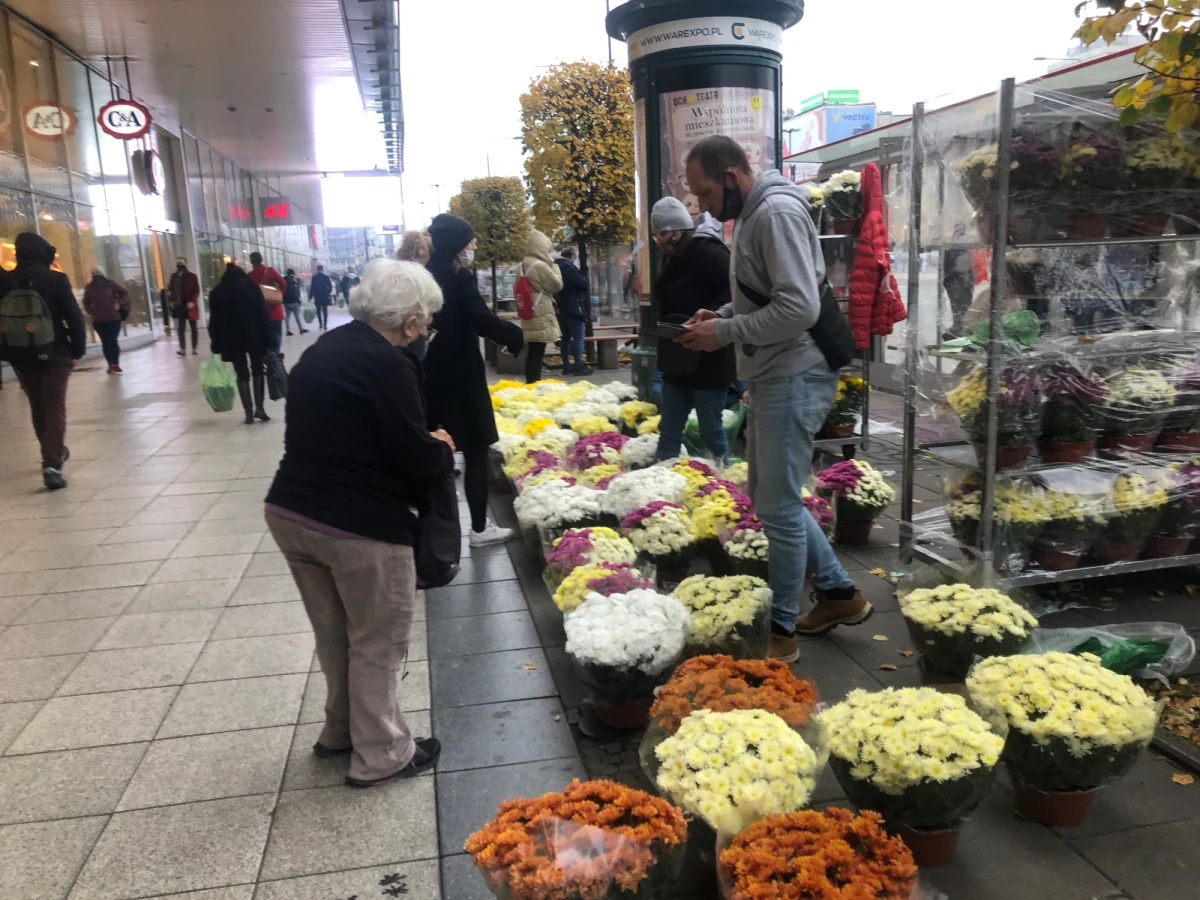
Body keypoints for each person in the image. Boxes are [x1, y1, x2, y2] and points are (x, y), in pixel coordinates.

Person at [680, 135, 868, 663]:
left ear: (733, 176)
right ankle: (836, 594)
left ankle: (780, 632)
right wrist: (722, 314)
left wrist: (724, 333)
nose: (703, 207)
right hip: (775, 373)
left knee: (780, 507)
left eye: (706, 194)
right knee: (770, 498)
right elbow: (764, 292)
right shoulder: (755, 213)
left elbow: (798, 308)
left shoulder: (774, 213)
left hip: (794, 373)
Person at [265, 258, 451, 787]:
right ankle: (384, 754)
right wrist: (439, 448)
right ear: (409, 318)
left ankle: (341, 732)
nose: (426, 328)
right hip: (358, 526)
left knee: (336, 636)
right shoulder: (388, 363)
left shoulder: (326, 348)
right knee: (377, 640)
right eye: (426, 318)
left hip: (292, 512)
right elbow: (410, 454)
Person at [423, 213, 525, 546]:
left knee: (436, 450)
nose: (474, 246)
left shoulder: (423, 276)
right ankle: (480, 528)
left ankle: (433, 528)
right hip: (462, 377)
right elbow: (479, 318)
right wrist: (512, 334)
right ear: (456, 245)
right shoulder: (460, 277)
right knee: (476, 452)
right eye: (470, 241)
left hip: (429, 374)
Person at [650, 198, 735, 462]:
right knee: (669, 429)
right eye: (657, 236)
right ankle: (663, 484)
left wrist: (711, 317)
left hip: (709, 359)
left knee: (711, 430)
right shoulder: (671, 260)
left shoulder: (707, 252)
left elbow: (736, 290)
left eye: (663, 234)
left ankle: (726, 483)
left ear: (678, 230)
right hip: (677, 359)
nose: (660, 241)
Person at [2, 233, 85, 490]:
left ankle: (52, 453)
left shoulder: (4, 280)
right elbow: (74, 316)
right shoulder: (55, 279)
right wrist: (77, 350)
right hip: (56, 352)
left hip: (20, 355)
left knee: (38, 406)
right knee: (54, 407)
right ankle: (52, 462)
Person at [209, 261, 272, 424]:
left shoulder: (217, 292)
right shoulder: (251, 289)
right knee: (258, 369)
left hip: (232, 338)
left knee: (241, 373)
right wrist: (268, 337)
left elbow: (214, 321)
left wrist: (215, 341)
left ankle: (248, 413)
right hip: (254, 335)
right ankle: (260, 408)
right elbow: (263, 314)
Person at [518, 230, 563, 383]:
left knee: (532, 351)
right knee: (538, 352)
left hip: (529, 310)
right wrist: (554, 265)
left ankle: (530, 382)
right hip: (541, 311)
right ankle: (534, 384)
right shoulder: (540, 265)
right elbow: (556, 285)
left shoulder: (522, 264)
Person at [82, 265, 130, 375]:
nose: (96, 274)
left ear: (103, 273)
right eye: (94, 272)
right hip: (99, 320)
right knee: (105, 342)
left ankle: (116, 364)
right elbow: (86, 302)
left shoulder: (110, 284)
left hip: (113, 318)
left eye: (98, 272)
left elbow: (124, 293)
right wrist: (91, 311)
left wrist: (119, 303)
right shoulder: (89, 287)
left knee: (112, 341)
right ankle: (110, 364)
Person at [554, 247, 592, 376]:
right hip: (574, 307)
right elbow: (583, 285)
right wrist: (584, 279)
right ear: (572, 256)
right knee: (578, 338)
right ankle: (578, 365)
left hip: (560, 308)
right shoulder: (569, 268)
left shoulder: (555, 267)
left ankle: (566, 366)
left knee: (564, 339)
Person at [248, 251, 287, 352]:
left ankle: (268, 357)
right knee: (277, 334)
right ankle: (276, 356)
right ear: (261, 260)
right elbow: (283, 283)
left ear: (251, 262)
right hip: (275, 310)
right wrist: (279, 295)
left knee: (264, 337)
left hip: (259, 312)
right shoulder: (270, 271)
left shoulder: (249, 276)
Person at [168, 257, 201, 356]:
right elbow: (170, 289)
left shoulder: (192, 276)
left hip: (190, 305)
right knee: (181, 328)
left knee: (193, 327)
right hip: (179, 305)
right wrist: (170, 301)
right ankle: (182, 348)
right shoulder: (173, 276)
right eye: (178, 262)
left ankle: (194, 348)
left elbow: (196, 290)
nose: (179, 264)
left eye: (181, 263)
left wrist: (192, 301)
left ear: (185, 264)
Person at [309, 264, 334, 331]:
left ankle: (320, 324)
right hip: (325, 296)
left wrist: (310, 296)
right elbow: (331, 286)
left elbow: (312, 288)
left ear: (317, 270)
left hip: (317, 296)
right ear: (322, 269)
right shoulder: (326, 277)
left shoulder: (314, 278)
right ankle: (325, 324)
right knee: (325, 310)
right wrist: (328, 293)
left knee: (318, 310)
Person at [283, 268, 307, 337]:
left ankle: (288, 330)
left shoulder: (284, 280)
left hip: (285, 301)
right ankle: (301, 329)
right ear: (292, 274)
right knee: (296, 315)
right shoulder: (293, 281)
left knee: (287, 316)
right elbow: (294, 292)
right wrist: (298, 300)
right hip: (293, 300)